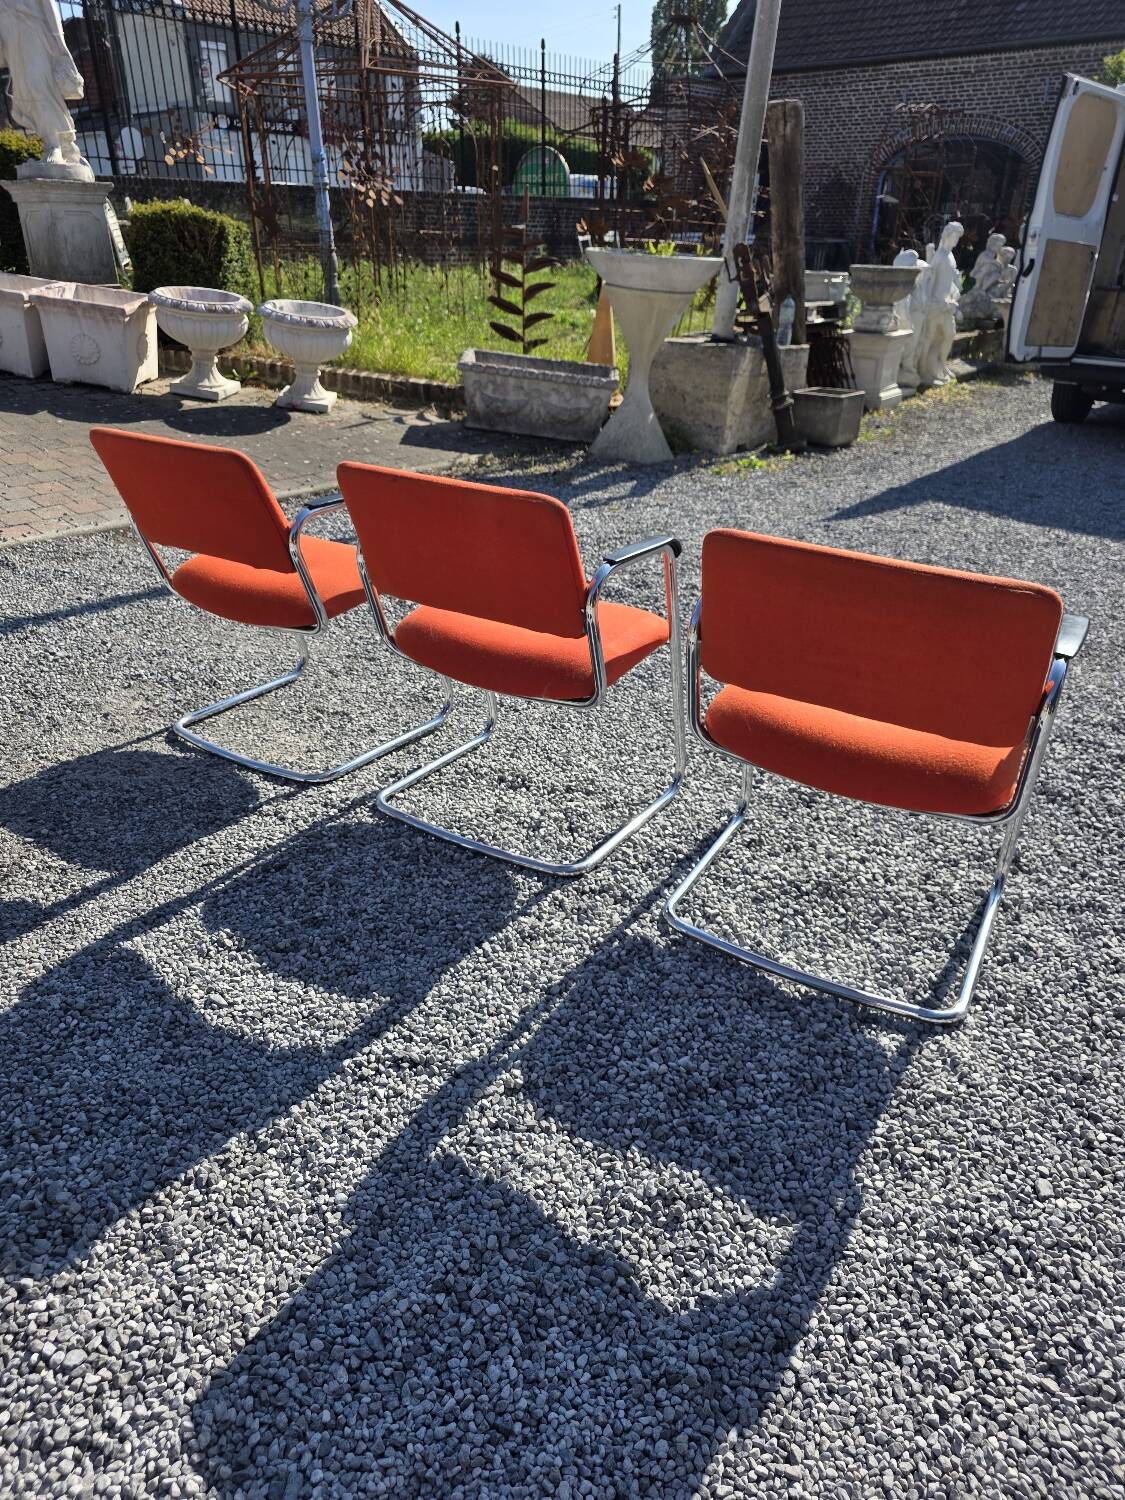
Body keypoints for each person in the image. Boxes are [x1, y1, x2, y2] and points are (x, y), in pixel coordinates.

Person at [0, 0, 88, 170]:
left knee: (38, 85)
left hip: (32, 28)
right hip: (10, 32)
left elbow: (48, 5)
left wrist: (58, 43)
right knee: (24, 92)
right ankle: (53, 143)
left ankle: (58, 144)